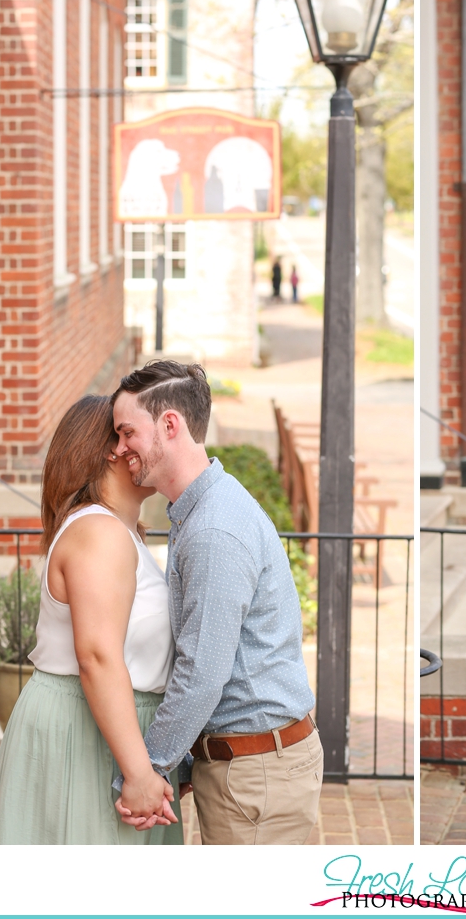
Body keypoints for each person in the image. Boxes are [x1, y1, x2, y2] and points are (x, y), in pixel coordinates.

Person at [110, 360, 322, 844]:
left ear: (170, 425)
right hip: (248, 768)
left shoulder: (213, 530)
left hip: (254, 775)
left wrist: (146, 772)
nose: (120, 449)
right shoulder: (201, 509)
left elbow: (201, 674)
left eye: (127, 433)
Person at [0, 396, 182, 844]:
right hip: (86, 731)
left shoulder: (120, 531)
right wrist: (138, 772)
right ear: (113, 449)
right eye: (132, 433)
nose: (150, 443)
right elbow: (96, 655)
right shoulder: (99, 533)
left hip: (113, 729)